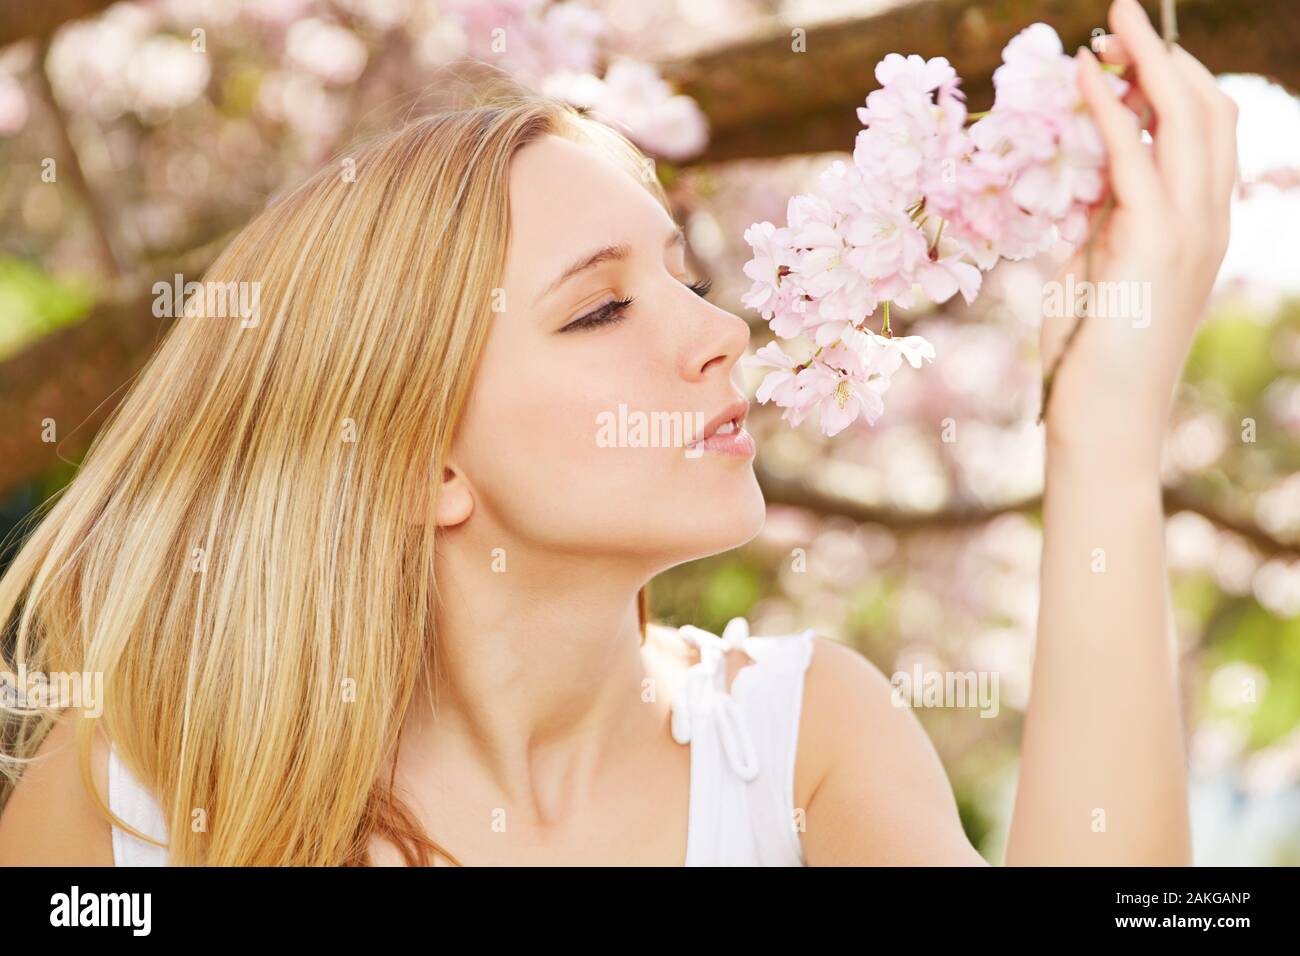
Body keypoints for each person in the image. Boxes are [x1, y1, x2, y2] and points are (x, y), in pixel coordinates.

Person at [0, 0, 1238, 866]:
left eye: (687, 279)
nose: (719, 335)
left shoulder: (797, 745)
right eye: (598, 307)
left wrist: (1103, 442)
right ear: (419, 461)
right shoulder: (136, 806)